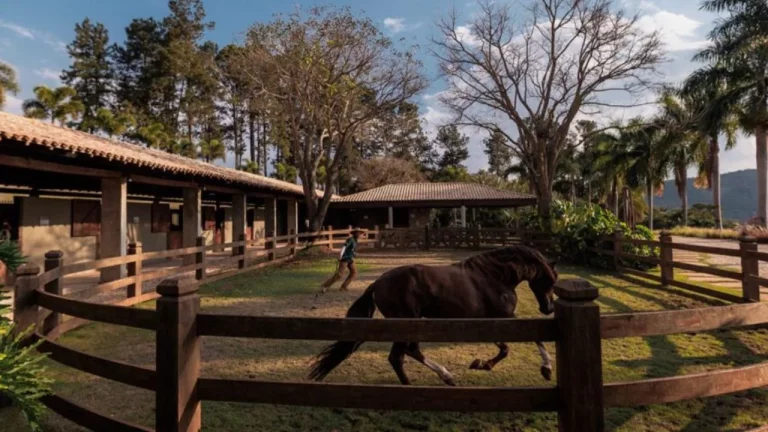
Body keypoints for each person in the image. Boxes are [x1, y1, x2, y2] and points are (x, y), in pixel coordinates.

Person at [319, 228, 365, 293]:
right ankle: (325, 286)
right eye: (358, 232)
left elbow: (350, 249)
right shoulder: (350, 239)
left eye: (360, 233)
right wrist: (340, 255)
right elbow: (344, 247)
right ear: (355, 233)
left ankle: (344, 287)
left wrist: (354, 253)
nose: (360, 234)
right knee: (339, 275)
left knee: (354, 273)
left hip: (350, 259)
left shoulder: (355, 240)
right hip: (345, 259)